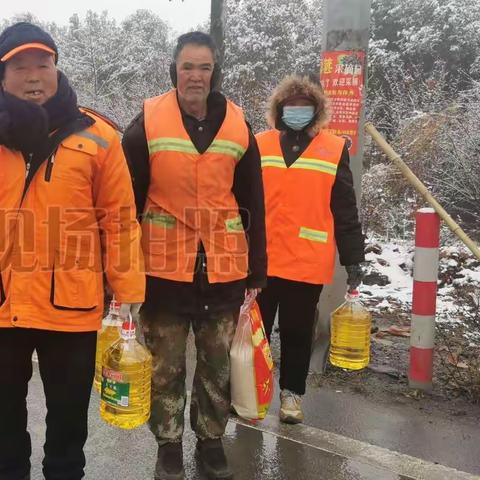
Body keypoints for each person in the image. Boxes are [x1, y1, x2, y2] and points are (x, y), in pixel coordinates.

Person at [0, 22, 145, 480]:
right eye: (19, 66)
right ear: (3, 77)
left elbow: (120, 219)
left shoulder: (98, 135)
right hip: (3, 306)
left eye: (42, 63)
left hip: (71, 304)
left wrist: (128, 290)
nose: (33, 75)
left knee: (66, 430)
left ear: (57, 68)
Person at [122, 31, 267, 480]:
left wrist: (257, 266)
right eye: (188, 66)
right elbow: (124, 201)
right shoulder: (146, 121)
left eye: (204, 67)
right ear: (174, 70)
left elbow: (253, 201)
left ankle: (210, 440)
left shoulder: (239, 125)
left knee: (217, 364)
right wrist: (123, 269)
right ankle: (168, 444)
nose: (196, 76)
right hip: (163, 270)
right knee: (165, 365)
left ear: (214, 73)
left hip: (223, 268)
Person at [256, 74, 365, 424]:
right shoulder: (259, 144)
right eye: (291, 107)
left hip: (306, 261)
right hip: (262, 259)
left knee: (297, 333)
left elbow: (345, 210)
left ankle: (292, 395)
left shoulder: (334, 149)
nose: (297, 112)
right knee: (253, 333)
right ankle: (249, 392)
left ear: (316, 111)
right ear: (279, 110)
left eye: (305, 107)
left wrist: (354, 259)